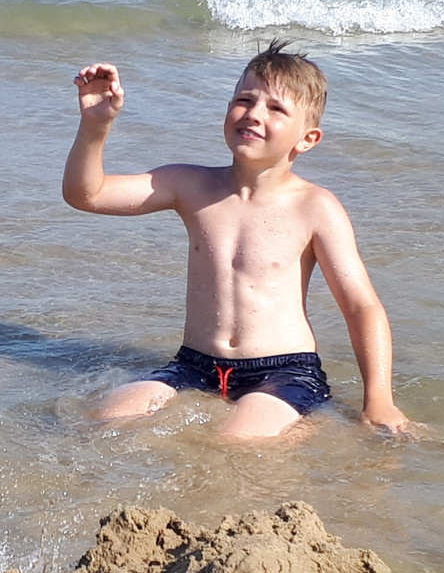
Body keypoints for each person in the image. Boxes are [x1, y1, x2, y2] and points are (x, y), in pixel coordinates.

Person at [64, 44, 410, 440]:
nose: (254, 113)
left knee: (234, 443)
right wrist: (95, 127)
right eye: (245, 100)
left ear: (307, 138)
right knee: (100, 418)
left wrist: (378, 399)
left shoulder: (315, 207)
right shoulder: (190, 185)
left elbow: (362, 307)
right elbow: (86, 195)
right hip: (194, 366)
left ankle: (305, 423)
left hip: (283, 372)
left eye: (276, 109)